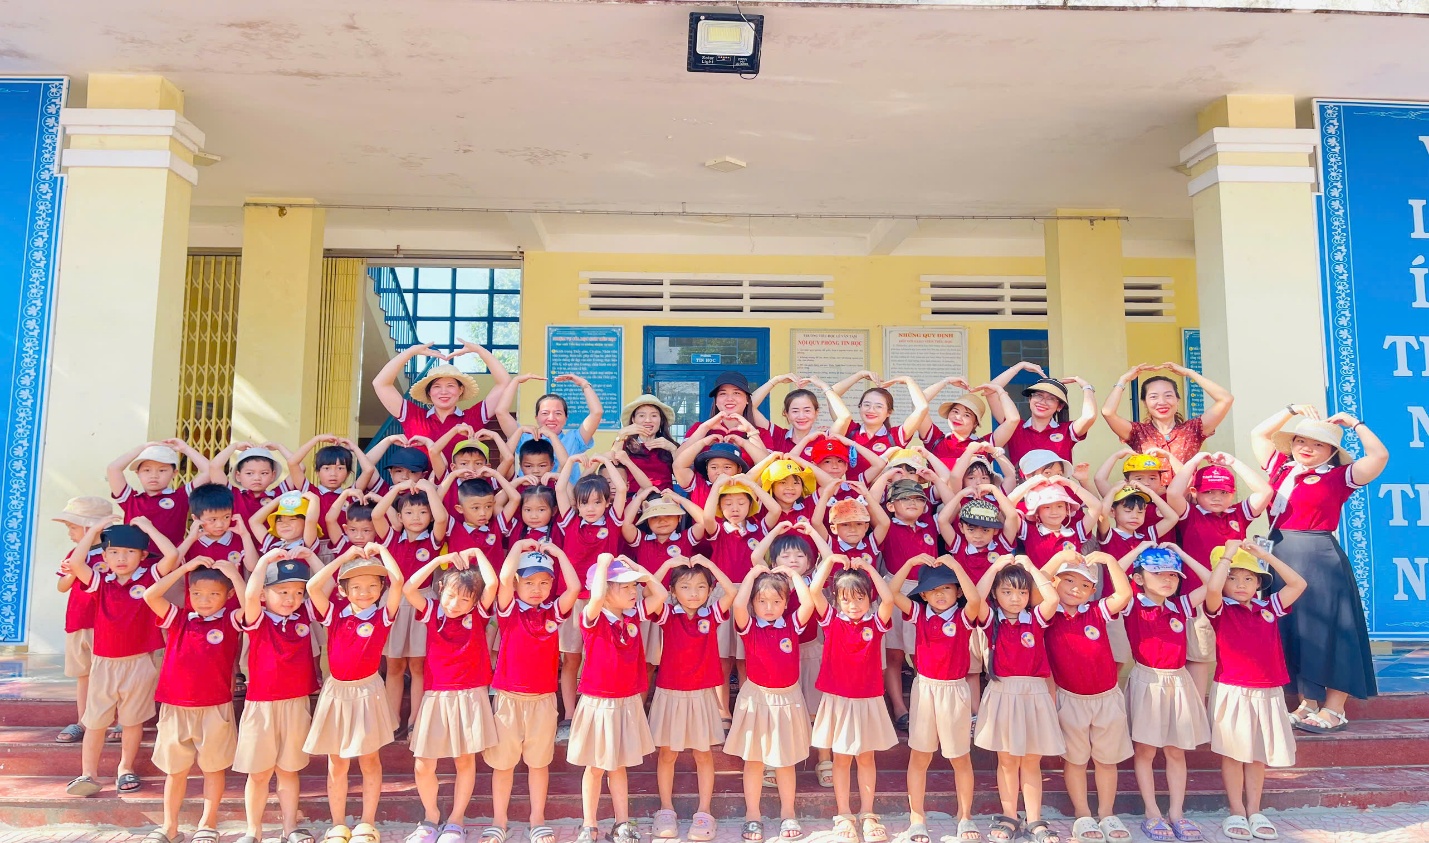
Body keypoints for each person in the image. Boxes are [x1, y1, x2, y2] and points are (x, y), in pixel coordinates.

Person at [1250, 407, 1388, 733]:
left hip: (1318, 557)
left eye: (1317, 444)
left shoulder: (1338, 476)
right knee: (1294, 630)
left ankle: (1335, 708)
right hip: (1280, 553)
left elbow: (1379, 456)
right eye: (1300, 440)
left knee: (1332, 631)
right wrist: (1290, 410)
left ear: (1331, 451)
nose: (1307, 448)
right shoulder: (1281, 468)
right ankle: (1307, 702)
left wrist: (1354, 423)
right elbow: (1258, 434)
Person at [63, 520, 175, 798]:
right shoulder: (101, 582)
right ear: (104, 557)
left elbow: (172, 555)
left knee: (132, 721)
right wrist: (93, 531)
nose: (121, 558)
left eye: (129, 552)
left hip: (139, 662)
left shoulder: (148, 578)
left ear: (143, 555)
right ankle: (88, 773)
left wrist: (149, 528)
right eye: (113, 552)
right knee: (95, 721)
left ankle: (125, 768)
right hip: (103, 663)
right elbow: (76, 563)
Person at [1203, 542, 1306, 843]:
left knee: (1257, 754)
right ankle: (1236, 810)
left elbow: (1298, 584)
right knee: (1234, 753)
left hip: (1267, 691)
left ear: (1259, 583)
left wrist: (1265, 556)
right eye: (1233, 578)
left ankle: (1254, 810)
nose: (1241, 584)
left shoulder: (1268, 608)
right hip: (1233, 689)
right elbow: (1212, 588)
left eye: (1248, 578)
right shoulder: (1220, 609)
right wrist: (1226, 556)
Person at [304, 544, 406, 843]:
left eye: (373, 586)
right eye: (357, 587)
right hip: (337, 693)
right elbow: (312, 587)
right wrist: (345, 557)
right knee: (337, 762)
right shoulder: (335, 614)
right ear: (344, 590)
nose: (365, 592)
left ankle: (367, 824)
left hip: (368, 692)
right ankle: (337, 825)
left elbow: (398, 581)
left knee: (369, 759)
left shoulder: (382, 616)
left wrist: (382, 550)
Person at [141, 556, 247, 843]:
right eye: (197, 593)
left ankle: (207, 824)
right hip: (175, 706)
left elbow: (251, 607)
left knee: (213, 768)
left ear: (228, 595)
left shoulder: (230, 620)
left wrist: (233, 575)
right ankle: (169, 827)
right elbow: (151, 595)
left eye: (214, 594)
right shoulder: (179, 618)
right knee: (175, 771)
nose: (204, 600)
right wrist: (185, 569)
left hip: (215, 707)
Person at [567, 554, 669, 843]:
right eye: (624, 587)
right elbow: (597, 596)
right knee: (595, 766)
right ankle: (589, 824)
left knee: (619, 765)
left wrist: (637, 570)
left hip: (626, 701)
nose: (633, 591)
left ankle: (621, 822)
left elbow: (660, 593)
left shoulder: (632, 616)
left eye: (633, 586)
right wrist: (603, 564)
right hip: (600, 702)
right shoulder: (593, 618)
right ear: (604, 590)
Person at [401, 548, 500, 843]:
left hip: (469, 693)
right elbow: (408, 588)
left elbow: (493, 583)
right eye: (451, 595)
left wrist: (477, 553)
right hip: (436, 694)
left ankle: (456, 821)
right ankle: (430, 818)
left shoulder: (478, 615)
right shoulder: (432, 610)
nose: (456, 604)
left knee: (464, 760)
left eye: (465, 600)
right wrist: (438, 561)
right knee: (423, 762)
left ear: (475, 602)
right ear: (441, 588)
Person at [486, 543, 581, 843]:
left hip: (543, 700)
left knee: (538, 763)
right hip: (508, 698)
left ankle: (537, 820)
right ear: (517, 584)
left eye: (543, 582)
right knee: (503, 764)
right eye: (528, 582)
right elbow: (503, 579)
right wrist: (517, 546)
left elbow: (575, 588)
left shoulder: (553, 613)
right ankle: (499, 822)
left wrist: (560, 554)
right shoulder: (509, 611)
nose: (536, 589)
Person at [1040, 550, 1136, 843]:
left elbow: (1124, 594)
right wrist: (1059, 557)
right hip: (1070, 699)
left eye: (1084, 585)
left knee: (1107, 760)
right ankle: (1083, 814)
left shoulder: (1095, 611)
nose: (1075, 589)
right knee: (1076, 760)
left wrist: (1110, 561)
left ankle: (1106, 813)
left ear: (1092, 591)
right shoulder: (1047, 613)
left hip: (1106, 698)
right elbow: (1038, 580)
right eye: (1068, 580)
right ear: (1054, 583)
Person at [888, 555, 985, 843]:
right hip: (925, 689)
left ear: (957, 591)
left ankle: (965, 816)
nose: (940, 594)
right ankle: (917, 818)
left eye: (946, 588)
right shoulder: (919, 614)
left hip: (955, 690)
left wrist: (956, 566)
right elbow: (892, 592)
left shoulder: (963, 616)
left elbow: (975, 599)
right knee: (919, 755)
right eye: (932, 590)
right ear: (923, 595)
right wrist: (909, 564)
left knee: (960, 757)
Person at [1123, 545, 1214, 843]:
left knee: (1176, 750)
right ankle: (1152, 812)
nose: (1167, 579)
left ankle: (1176, 812)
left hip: (1178, 681)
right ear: (1139, 578)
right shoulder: (1131, 604)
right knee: (1146, 751)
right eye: (1158, 573)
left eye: (1173, 575)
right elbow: (1114, 577)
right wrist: (1140, 547)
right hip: (1147, 681)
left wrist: (1182, 555)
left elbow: (1212, 583)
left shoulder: (1180, 606)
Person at [806, 556, 899, 843]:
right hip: (839, 700)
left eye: (860, 598)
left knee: (867, 757)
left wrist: (869, 569)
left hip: (867, 699)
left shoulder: (876, 622)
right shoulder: (831, 621)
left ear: (869, 599)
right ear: (837, 601)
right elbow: (814, 591)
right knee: (841, 758)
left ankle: (868, 814)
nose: (854, 605)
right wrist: (831, 560)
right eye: (846, 599)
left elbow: (888, 599)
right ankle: (844, 815)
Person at [973, 555, 1066, 843]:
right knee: (1007, 760)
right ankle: (1009, 816)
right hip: (1003, 693)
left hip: (1034, 694)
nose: (1015, 599)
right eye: (1007, 592)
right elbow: (976, 597)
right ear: (996, 594)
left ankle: (1035, 819)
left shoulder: (1035, 618)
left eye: (1022, 592)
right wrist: (995, 567)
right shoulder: (991, 620)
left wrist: (1031, 568)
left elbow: (1051, 598)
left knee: (1031, 760)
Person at [647, 556, 738, 842]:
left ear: (709, 590)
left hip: (701, 694)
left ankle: (704, 811)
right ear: (673, 591)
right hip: (670, 693)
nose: (694, 593)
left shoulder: (711, 615)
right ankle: (665, 809)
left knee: (703, 753)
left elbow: (731, 591)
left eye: (700, 587)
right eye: (685, 587)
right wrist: (667, 565)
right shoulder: (667, 615)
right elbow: (649, 589)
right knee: (667, 753)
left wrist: (710, 566)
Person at [234, 550, 320, 843]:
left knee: (288, 770)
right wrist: (263, 563)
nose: (290, 598)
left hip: (295, 704)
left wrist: (310, 556)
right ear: (264, 594)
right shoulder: (258, 620)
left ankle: (290, 828)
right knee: (258, 773)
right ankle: (253, 831)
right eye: (282, 591)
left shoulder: (304, 615)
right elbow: (249, 595)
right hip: (261, 706)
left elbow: (326, 587)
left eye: (297, 592)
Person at [556, 461, 631, 738]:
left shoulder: (612, 521)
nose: (590, 508)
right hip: (574, 599)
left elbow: (621, 487)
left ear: (607, 503)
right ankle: (569, 714)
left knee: (597, 659)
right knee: (571, 659)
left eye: (597, 502)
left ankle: (596, 711)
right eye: (584, 502)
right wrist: (571, 462)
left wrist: (606, 462)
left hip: (603, 602)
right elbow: (560, 488)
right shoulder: (570, 522)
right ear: (576, 505)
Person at [371, 478, 449, 736]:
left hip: (421, 603)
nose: (416, 517)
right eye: (409, 512)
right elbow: (377, 514)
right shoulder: (391, 537)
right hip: (393, 602)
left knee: (418, 665)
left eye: (422, 512)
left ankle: (416, 720)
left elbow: (441, 518)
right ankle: (392, 720)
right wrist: (396, 489)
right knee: (394, 665)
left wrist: (428, 489)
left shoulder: (433, 541)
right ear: (399, 516)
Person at [371, 341, 513, 462]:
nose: (443, 392)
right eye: (437, 387)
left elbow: (504, 382)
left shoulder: (473, 417)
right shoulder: (413, 416)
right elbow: (380, 384)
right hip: (418, 486)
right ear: (429, 392)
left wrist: (479, 350)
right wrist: (410, 352)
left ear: (460, 390)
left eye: (450, 386)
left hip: (463, 486)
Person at [52, 496, 115, 745]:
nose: (70, 533)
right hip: (79, 621)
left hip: (107, 624)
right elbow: (61, 586)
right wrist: (70, 572)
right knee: (84, 674)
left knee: (111, 675)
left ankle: (116, 721)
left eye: (73, 527)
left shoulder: (114, 553)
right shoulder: (75, 553)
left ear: (91, 527)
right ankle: (83, 722)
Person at [1101, 363, 1234, 467]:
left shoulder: (1193, 429)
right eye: (1153, 397)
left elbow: (1225, 399)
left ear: (1177, 400)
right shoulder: (1137, 432)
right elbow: (1108, 412)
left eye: (1168, 395)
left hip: (1186, 495)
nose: (1162, 402)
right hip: (1147, 495)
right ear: (1145, 403)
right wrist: (1123, 380)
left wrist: (1190, 373)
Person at [107, 440, 214, 549]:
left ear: (174, 473)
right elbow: (113, 469)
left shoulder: (181, 497)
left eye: (162, 470)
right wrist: (143, 447)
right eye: (147, 470)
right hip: (134, 559)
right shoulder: (131, 500)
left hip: (172, 558)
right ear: (138, 473)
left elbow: (210, 471)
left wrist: (185, 448)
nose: (154, 475)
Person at [989, 365, 1097, 466]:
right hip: (1021, 481)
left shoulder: (1066, 431)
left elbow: (1089, 416)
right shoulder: (1015, 427)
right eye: (1038, 395)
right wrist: (1020, 366)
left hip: (1058, 481)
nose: (1043, 402)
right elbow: (990, 391)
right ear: (1030, 399)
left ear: (1059, 406)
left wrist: (1086, 387)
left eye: (1051, 398)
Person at [496, 372, 604, 472]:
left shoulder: (574, 439)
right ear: (536, 417)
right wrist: (515, 381)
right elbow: (501, 412)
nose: (551, 418)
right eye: (545, 413)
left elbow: (597, 412)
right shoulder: (523, 437)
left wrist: (584, 384)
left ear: (566, 418)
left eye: (558, 413)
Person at [919, 379, 1020, 468]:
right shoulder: (935, 439)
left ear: (975, 423)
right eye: (955, 411)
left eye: (966, 415)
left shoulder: (984, 445)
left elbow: (1013, 419)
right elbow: (919, 404)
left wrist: (1000, 391)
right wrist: (946, 381)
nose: (958, 417)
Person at [749, 374, 847, 454]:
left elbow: (844, 417)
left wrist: (823, 385)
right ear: (786, 413)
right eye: (795, 411)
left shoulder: (825, 437)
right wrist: (775, 380)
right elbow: (748, 407)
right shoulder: (778, 435)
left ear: (816, 412)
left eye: (807, 410)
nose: (801, 416)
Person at [615, 394, 680, 490]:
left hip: (664, 497)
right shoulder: (624, 444)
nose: (648, 420)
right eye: (641, 416)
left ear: (661, 420)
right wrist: (621, 436)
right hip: (632, 498)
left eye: (654, 415)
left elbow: (683, 480)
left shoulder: (671, 446)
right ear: (633, 420)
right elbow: (612, 467)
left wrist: (673, 450)